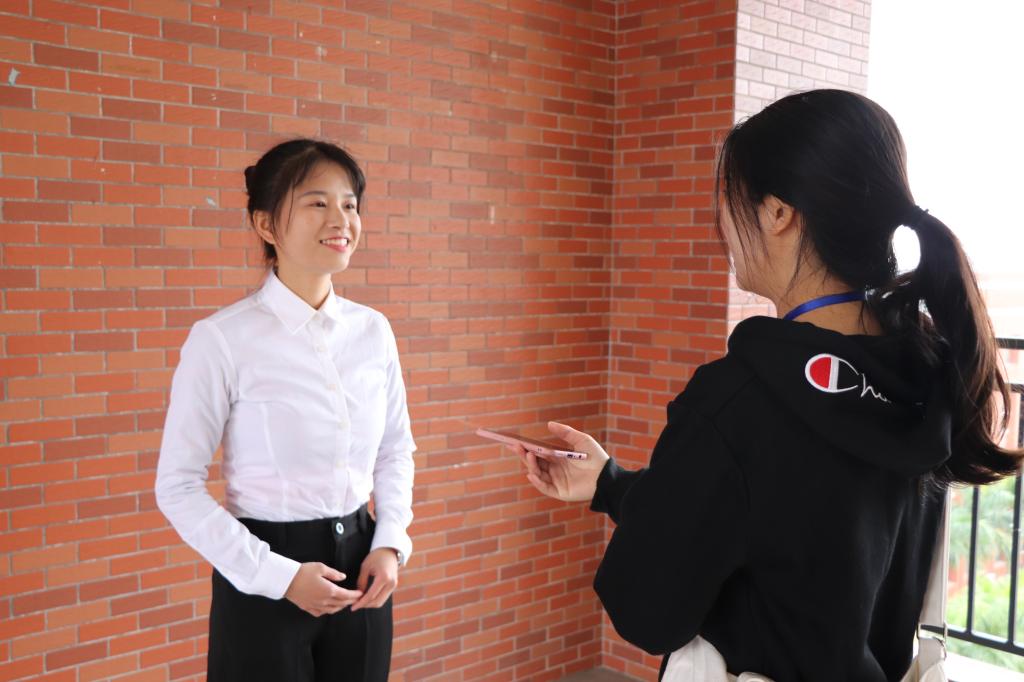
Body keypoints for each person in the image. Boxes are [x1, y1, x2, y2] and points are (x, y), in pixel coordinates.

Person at [515, 89, 1022, 680]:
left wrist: (646, 512)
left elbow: (647, 613)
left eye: (729, 200)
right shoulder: (926, 373)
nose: (724, 226)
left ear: (779, 213)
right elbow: (786, 519)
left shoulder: (737, 401)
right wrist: (611, 483)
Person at [155, 138, 415, 682]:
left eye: (349, 204)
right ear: (265, 224)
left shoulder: (373, 331)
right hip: (263, 579)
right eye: (317, 202)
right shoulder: (222, 340)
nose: (340, 219)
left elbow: (395, 449)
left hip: (363, 572)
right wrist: (279, 576)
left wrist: (390, 542)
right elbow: (177, 486)